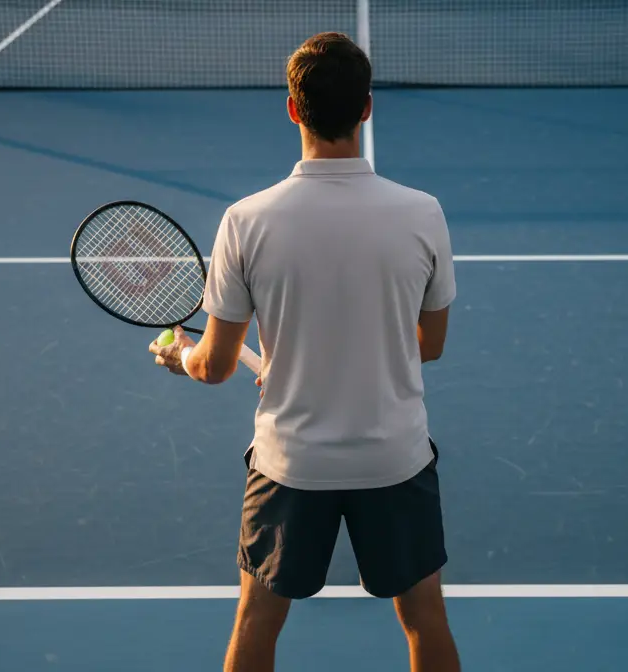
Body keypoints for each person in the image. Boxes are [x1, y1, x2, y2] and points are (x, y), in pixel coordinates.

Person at [148, 32, 460, 672]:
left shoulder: (246, 221)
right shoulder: (424, 213)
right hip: (393, 459)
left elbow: (212, 365)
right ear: (367, 109)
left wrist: (179, 355)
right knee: (424, 619)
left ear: (293, 109)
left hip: (291, 466)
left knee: (257, 620)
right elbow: (427, 345)